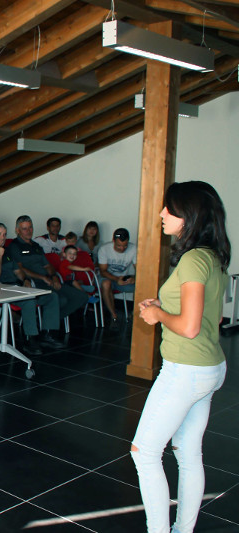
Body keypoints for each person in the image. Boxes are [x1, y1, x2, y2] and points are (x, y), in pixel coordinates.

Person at [133, 181, 231, 533]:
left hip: (186, 371)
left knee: (144, 453)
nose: (161, 214)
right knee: (188, 455)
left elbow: (190, 328)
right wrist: (165, 306)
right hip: (210, 367)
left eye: (168, 209)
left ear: (187, 216)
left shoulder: (192, 259)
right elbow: (212, 319)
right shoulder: (214, 257)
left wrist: (158, 315)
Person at [0, 223, 64, 355]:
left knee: (51, 296)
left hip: (15, 287)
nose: (2, 237)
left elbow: (18, 270)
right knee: (28, 301)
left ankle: (48, 334)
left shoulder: (6, 251)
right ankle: (30, 340)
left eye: (4, 234)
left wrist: (25, 280)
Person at [7, 215, 87, 333]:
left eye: (30, 227)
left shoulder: (36, 246)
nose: (29, 231)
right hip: (33, 282)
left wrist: (54, 277)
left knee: (82, 297)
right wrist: (43, 277)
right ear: (17, 230)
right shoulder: (14, 246)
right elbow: (20, 268)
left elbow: (47, 265)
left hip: (48, 280)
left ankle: (47, 320)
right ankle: (48, 330)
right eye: (24, 228)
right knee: (60, 299)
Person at [99, 228, 138, 324]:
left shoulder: (133, 249)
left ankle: (134, 314)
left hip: (123, 279)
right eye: (119, 246)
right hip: (108, 277)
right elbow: (103, 271)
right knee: (106, 284)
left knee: (140, 285)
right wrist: (117, 279)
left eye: (125, 246)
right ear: (113, 241)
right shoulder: (104, 249)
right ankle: (113, 314)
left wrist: (134, 278)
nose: (122, 248)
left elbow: (139, 269)